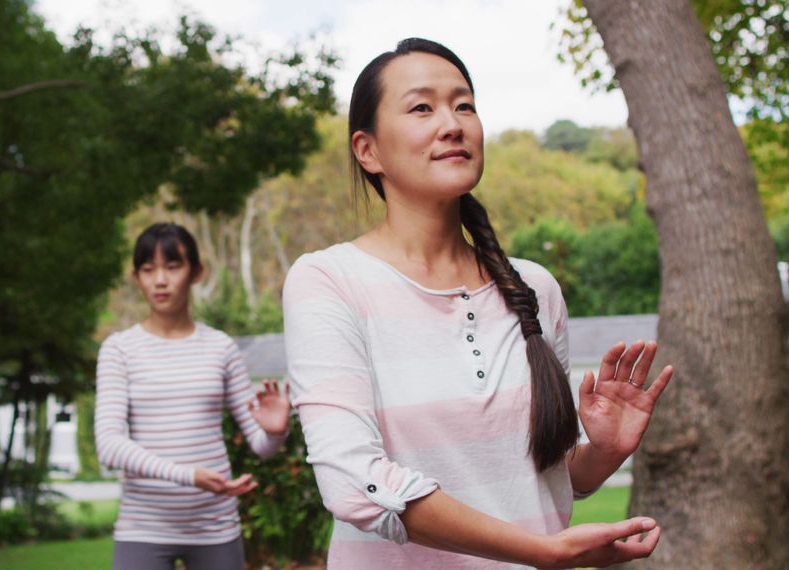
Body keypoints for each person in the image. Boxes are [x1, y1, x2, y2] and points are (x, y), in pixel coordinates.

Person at [281, 38, 674, 569]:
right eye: (422, 107)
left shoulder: (533, 288)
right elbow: (355, 481)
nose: (453, 123)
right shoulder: (330, 280)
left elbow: (550, 479)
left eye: (464, 105)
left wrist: (605, 451)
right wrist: (541, 552)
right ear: (367, 150)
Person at [95, 222, 291, 570]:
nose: (160, 280)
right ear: (136, 277)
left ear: (196, 272)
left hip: (214, 528)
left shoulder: (221, 347)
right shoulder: (119, 349)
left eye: (173, 267)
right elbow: (109, 445)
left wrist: (275, 432)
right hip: (143, 528)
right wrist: (189, 476)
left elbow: (261, 446)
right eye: (148, 269)